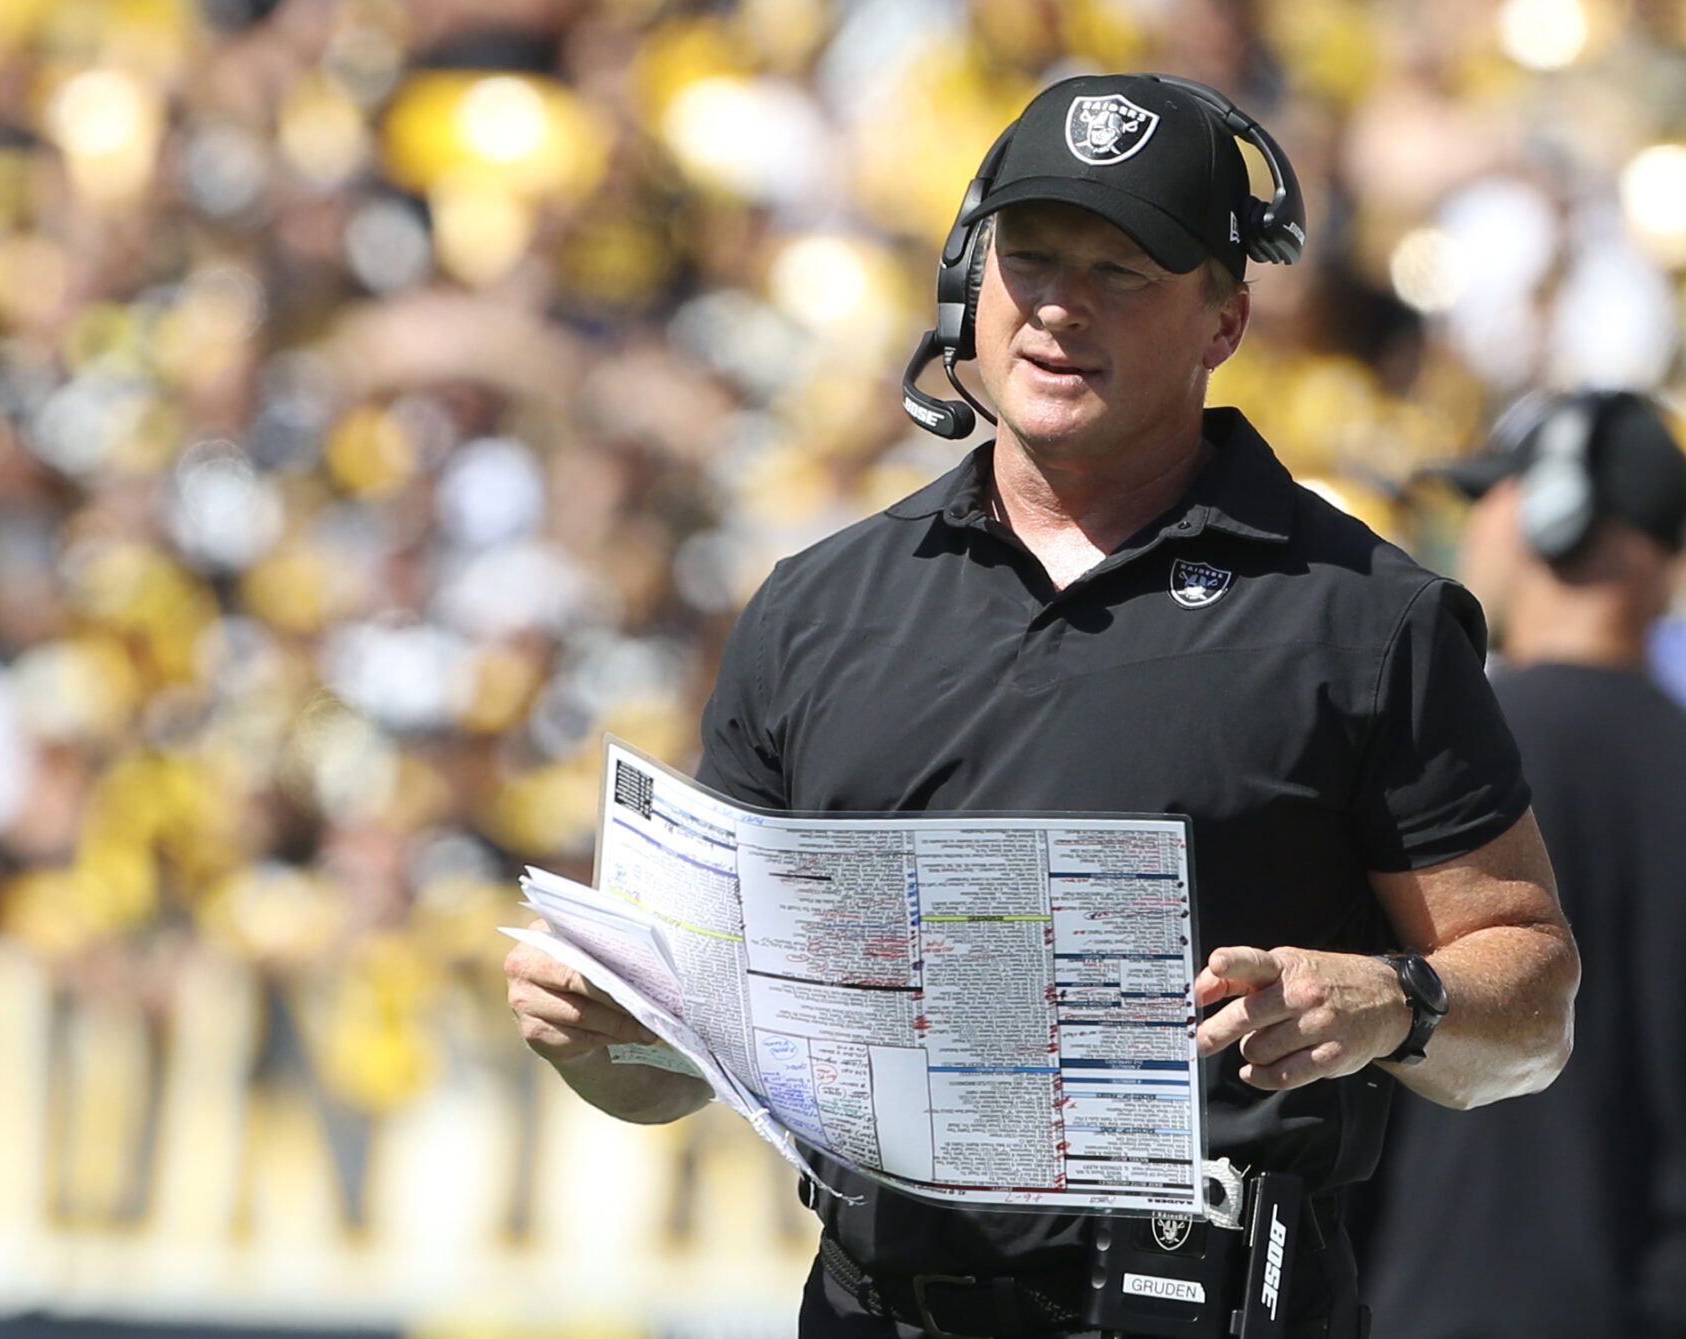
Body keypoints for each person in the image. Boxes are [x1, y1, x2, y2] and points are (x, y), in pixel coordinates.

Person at [505, 72, 1579, 1338]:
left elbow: (1533, 997)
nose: (1062, 305)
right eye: (1031, 258)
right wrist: (608, 1038)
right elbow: (687, 1073)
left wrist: (1395, 1000)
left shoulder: (1361, 618)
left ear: (1224, 320)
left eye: (1123, 270)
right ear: (972, 282)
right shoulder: (817, 608)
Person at [1359, 391, 1686, 1339]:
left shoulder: (1439, 759)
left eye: (1485, 498)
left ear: (1554, 510)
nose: (1472, 533)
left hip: (1438, 1302)